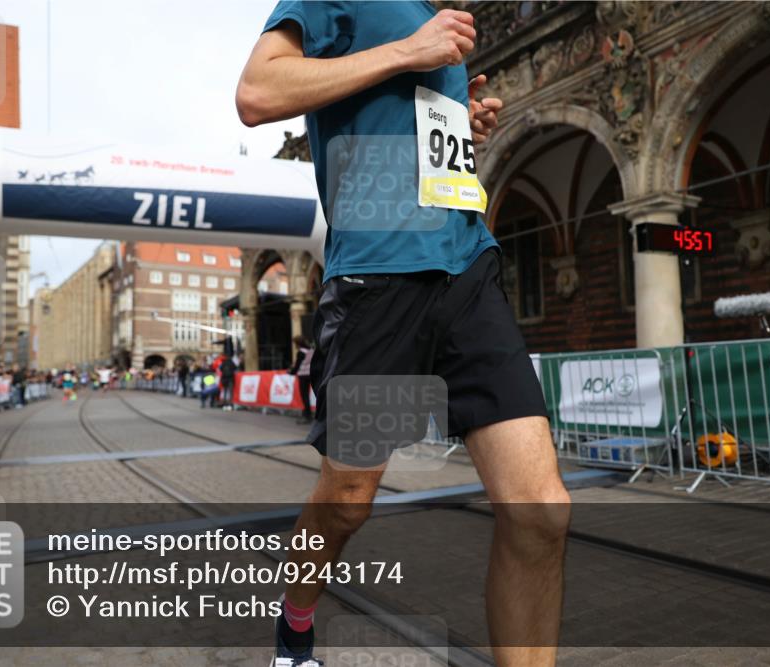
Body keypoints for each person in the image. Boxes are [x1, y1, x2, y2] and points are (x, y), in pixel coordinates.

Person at [238, 4, 570, 666]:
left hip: (467, 270)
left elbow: (397, 129)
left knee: (540, 509)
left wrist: (451, 122)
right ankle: (296, 621)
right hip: (381, 281)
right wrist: (407, 53)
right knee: (349, 500)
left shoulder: (433, 14)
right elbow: (257, 93)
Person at [289, 336, 313, 424]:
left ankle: (307, 416)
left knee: (304, 396)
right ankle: (307, 413)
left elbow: (297, 366)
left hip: (303, 375)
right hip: (310, 374)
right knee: (307, 396)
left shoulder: (301, 352)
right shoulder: (310, 350)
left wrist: (291, 372)